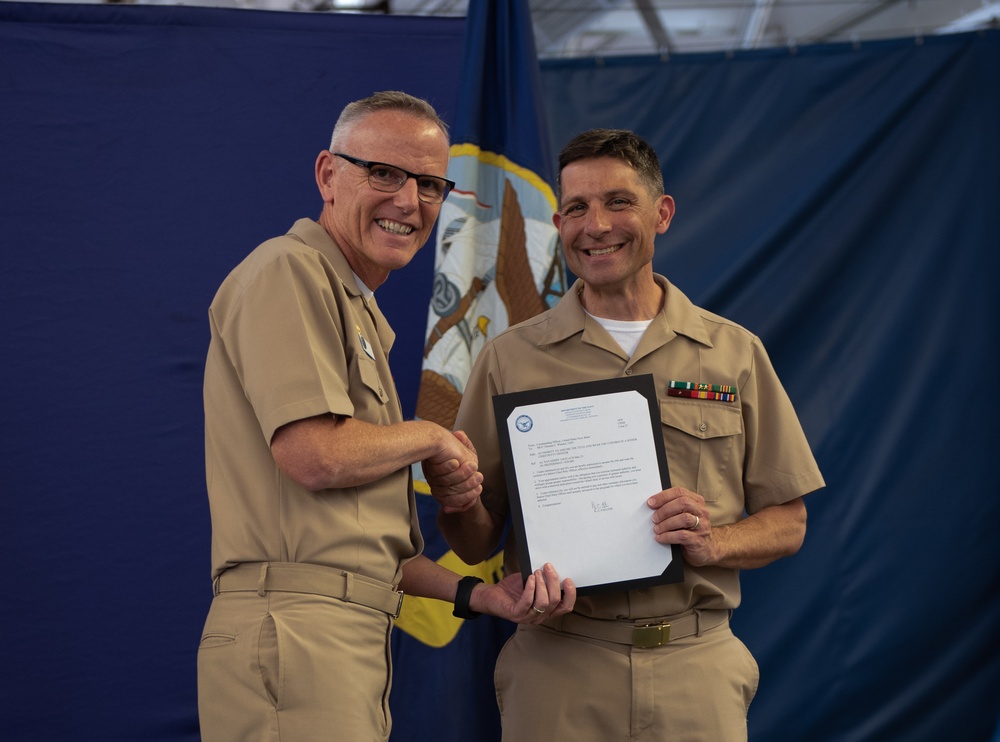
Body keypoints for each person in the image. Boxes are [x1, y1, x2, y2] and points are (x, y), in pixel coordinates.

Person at [197, 90, 574, 742]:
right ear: (327, 174)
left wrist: (479, 596)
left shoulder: (358, 313)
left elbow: (371, 552)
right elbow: (315, 457)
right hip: (298, 634)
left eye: (430, 184)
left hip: (344, 637)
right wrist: (430, 437)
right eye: (384, 174)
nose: (409, 201)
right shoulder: (291, 271)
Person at [429, 128, 825, 741]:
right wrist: (457, 497)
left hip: (696, 668)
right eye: (578, 208)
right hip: (557, 667)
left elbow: (789, 519)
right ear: (558, 223)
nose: (597, 225)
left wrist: (714, 542)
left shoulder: (733, 353)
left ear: (660, 213)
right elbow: (477, 539)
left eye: (618, 202)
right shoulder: (509, 359)